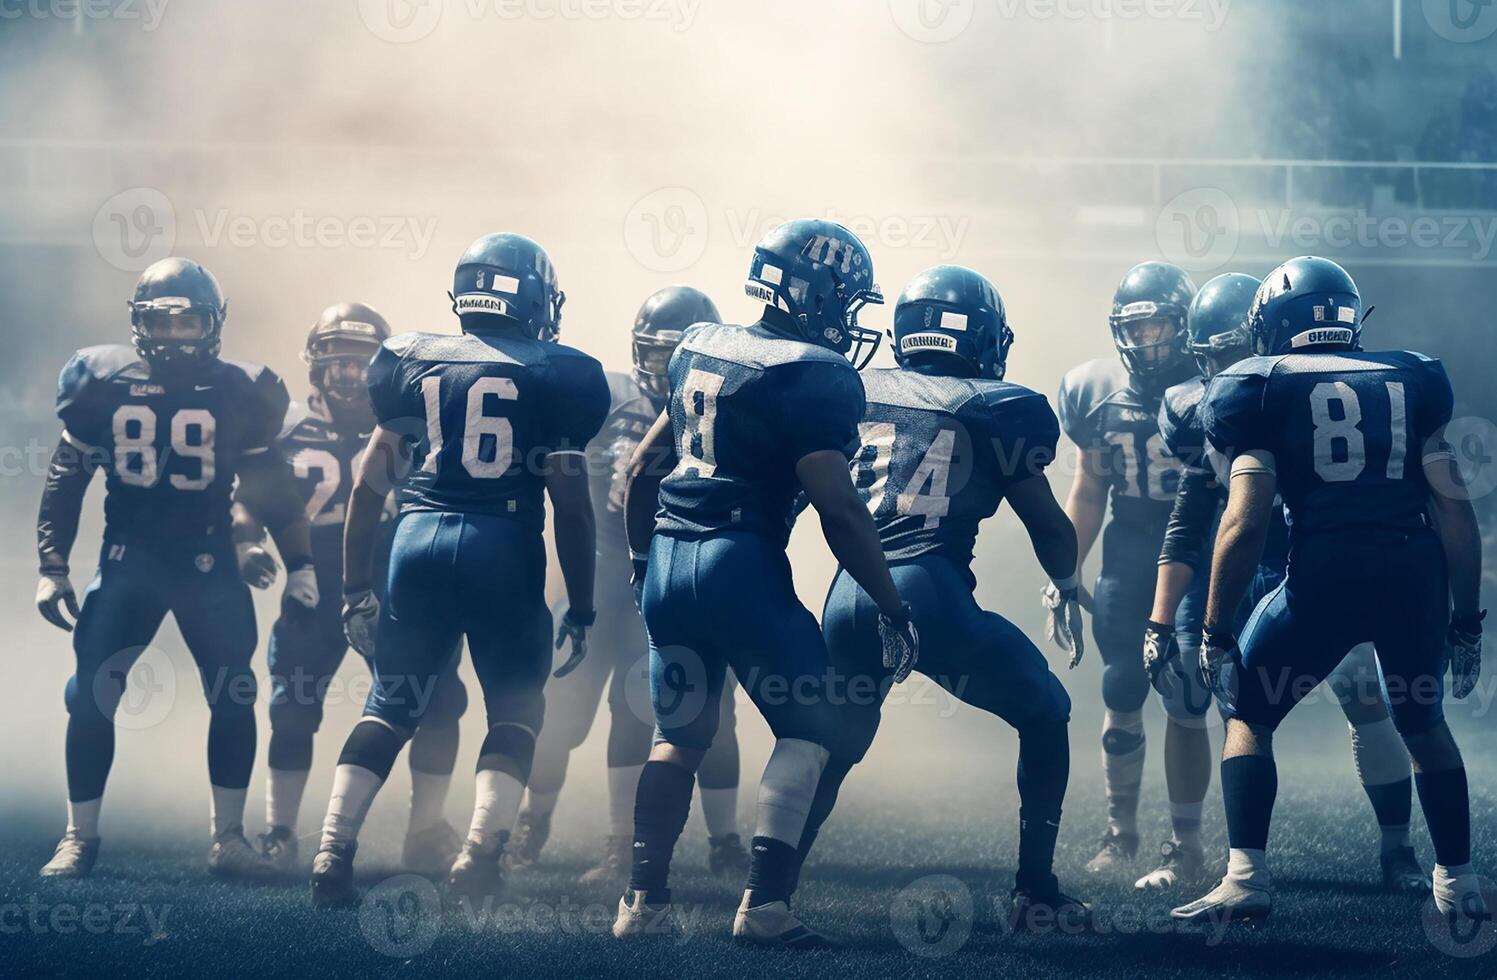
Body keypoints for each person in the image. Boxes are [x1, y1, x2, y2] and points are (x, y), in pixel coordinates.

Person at [612, 218, 918, 948]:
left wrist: (640, 564)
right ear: (817, 295)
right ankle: (765, 906)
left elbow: (639, 472)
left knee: (677, 735)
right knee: (814, 725)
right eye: (845, 298)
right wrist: (889, 602)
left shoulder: (698, 343)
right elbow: (838, 506)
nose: (849, 317)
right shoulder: (814, 371)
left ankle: (640, 904)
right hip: (737, 562)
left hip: (668, 557)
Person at [1172, 256, 1487, 925]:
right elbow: (1453, 509)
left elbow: (1245, 516)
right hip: (1412, 573)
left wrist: (1215, 629)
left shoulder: (1254, 385)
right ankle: (1456, 882)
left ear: (1270, 324)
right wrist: (1466, 620)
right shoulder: (1411, 375)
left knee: (1248, 717)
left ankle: (1245, 877)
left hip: (1322, 576)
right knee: (1422, 724)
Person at [308, 233, 609, 906]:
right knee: (514, 709)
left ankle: (331, 849)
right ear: (533, 297)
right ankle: (478, 854)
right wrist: (583, 607)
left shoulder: (412, 360)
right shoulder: (559, 373)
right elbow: (572, 508)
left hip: (415, 539)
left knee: (390, 704)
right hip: (502, 542)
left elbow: (366, 488)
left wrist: (355, 587)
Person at [811, 265, 1091, 929]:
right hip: (923, 591)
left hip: (845, 590)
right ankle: (1034, 890)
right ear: (985, 337)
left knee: (830, 745)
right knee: (1046, 709)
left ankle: (768, 893)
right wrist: (1066, 583)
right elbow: (1048, 525)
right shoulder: (999, 406)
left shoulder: (855, 388)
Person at [1141, 273, 1426, 894]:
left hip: (1303, 556)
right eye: (1214, 358)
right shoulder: (1204, 405)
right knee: (1192, 697)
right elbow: (1191, 516)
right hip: (1233, 562)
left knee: (1360, 692)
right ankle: (1186, 847)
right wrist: (1160, 619)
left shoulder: (1306, 386)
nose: (1227, 372)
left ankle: (1398, 850)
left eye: (1234, 354)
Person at [36, 257, 315, 879]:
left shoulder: (242, 388)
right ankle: (79, 837)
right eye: (161, 324)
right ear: (139, 325)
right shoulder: (100, 380)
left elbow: (269, 483)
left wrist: (298, 560)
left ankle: (229, 839)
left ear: (211, 324)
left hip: (208, 562)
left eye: (186, 323)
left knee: (234, 692)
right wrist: (52, 565)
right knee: (89, 697)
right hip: (128, 560)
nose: (173, 336)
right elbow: (65, 478)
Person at [511, 286, 747, 883]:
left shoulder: (723, 408)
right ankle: (529, 826)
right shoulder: (605, 395)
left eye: (680, 353)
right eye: (659, 351)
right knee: (561, 709)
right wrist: (560, 580)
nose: (667, 365)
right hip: (602, 567)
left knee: (661, 709)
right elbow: (561, 487)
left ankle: (663, 843)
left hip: (675, 571)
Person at [234, 303, 468, 874]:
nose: (347, 376)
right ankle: (280, 831)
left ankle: (424, 829)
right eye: (337, 364)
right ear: (314, 367)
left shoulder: (412, 423)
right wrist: (246, 542)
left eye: (359, 364)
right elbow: (248, 497)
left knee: (436, 703)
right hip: (313, 585)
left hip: (395, 586)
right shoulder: (283, 425)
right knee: (292, 710)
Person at [1051, 261, 1206, 876]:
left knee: (1186, 687)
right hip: (1131, 541)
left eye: (1159, 326)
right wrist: (1066, 570)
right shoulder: (1095, 388)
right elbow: (1089, 489)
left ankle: (1187, 844)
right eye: (1135, 330)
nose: (1148, 341)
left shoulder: (1212, 384)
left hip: (1194, 547)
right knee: (1120, 685)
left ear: (1186, 324)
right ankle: (1121, 834)